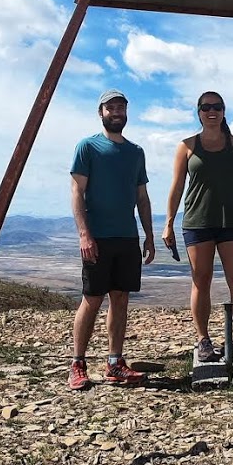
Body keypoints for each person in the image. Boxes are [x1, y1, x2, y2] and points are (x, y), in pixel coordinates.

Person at [162, 91, 233, 364]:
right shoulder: (186, 146)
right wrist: (168, 222)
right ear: (199, 112)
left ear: (224, 110)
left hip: (231, 222)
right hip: (197, 223)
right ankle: (203, 340)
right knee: (200, 281)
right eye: (206, 107)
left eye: (217, 106)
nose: (211, 111)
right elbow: (177, 187)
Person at [68, 89, 155, 391]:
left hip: (127, 237)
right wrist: (84, 234)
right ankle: (78, 364)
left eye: (121, 107)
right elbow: (77, 191)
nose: (117, 112)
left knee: (120, 299)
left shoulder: (135, 152)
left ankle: (115, 364)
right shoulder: (88, 147)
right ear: (100, 112)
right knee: (92, 300)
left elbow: (141, 197)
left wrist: (149, 235)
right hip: (98, 237)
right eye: (111, 107)